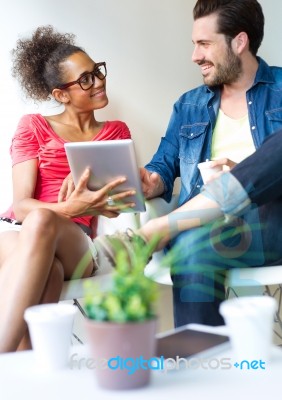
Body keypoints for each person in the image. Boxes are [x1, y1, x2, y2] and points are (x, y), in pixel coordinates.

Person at [101, 0, 282, 328]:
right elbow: (163, 167)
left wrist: (242, 167)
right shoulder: (189, 105)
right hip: (203, 230)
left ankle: (158, 230)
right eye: (194, 44)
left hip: (273, 223)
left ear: (239, 42)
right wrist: (150, 180)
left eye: (204, 44)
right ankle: (202, 367)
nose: (195, 56)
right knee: (192, 248)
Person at [0, 25, 136, 353]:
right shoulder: (33, 126)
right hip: (15, 230)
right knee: (50, 270)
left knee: (44, 221)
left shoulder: (116, 131)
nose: (99, 81)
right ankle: (28, 372)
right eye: (85, 79)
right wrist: (71, 207)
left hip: (73, 237)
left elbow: (120, 202)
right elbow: (21, 206)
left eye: (97, 72)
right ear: (61, 94)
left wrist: (82, 209)